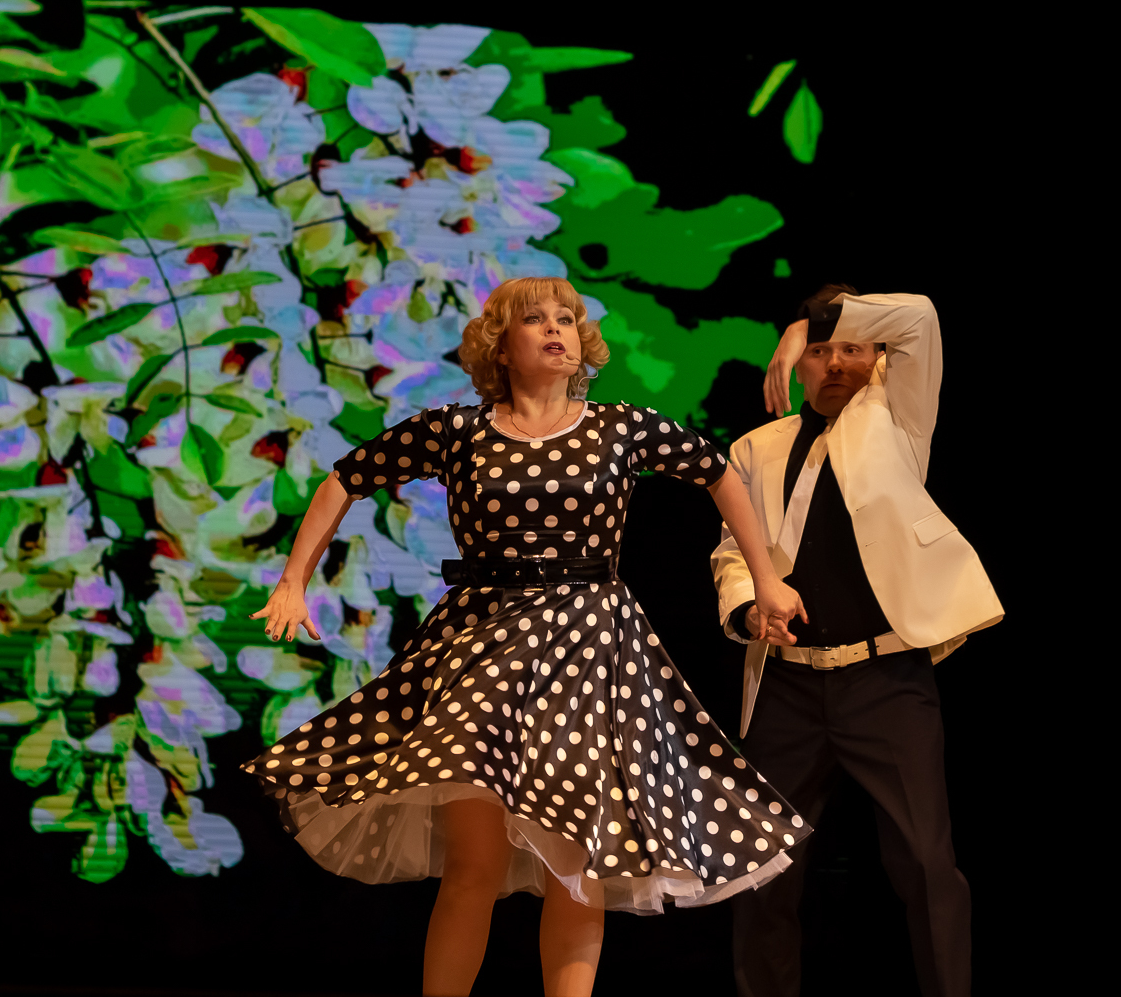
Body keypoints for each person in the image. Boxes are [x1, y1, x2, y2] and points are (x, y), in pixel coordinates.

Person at [242, 276, 814, 997]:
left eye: (566, 319)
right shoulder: (457, 430)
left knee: (576, 868)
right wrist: (294, 578)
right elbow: (346, 478)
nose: (555, 330)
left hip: (587, 648)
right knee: (473, 865)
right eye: (535, 319)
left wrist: (766, 579)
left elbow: (718, 474)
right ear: (501, 347)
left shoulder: (619, 427)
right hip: (482, 646)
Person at [711, 284, 1005, 997]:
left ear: (877, 356)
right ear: (800, 368)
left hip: (885, 681)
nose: (836, 361)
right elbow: (732, 551)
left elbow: (919, 316)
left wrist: (804, 323)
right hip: (786, 683)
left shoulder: (898, 416)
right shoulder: (754, 448)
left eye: (852, 347)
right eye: (820, 351)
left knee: (926, 862)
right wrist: (747, 608)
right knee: (761, 870)